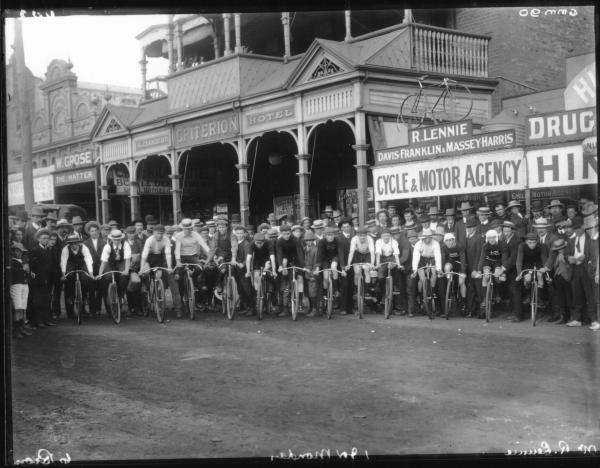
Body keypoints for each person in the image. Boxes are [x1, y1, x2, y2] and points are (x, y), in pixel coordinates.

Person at [565, 218, 595, 327]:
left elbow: (595, 253)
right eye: (575, 228)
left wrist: (585, 257)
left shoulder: (591, 238)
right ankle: (577, 319)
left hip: (587, 269)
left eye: (578, 228)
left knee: (589, 295)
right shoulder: (571, 240)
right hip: (575, 269)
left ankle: (594, 320)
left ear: (583, 226)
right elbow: (566, 253)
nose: (577, 230)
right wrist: (569, 258)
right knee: (576, 295)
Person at [515, 232, 549, 321]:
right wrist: (520, 274)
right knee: (528, 278)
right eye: (530, 242)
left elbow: (544, 259)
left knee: (540, 275)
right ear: (526, 241)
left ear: (537, 242)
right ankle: (527, 295)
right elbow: (519, 261)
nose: (532, 245)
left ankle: (539, 298)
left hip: (538, 263)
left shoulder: (541, 246)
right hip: (527, 264)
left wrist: (545, 271)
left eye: (534, 242)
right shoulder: (522, 246)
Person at [475, 230, 508, 318]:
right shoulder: (485, 245)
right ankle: (485, 299)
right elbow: (482, 258)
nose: (491, 239)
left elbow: (504, 258)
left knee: (497, 276)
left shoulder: (502, 244)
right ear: (487, 238)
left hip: (498, 262)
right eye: (489, 238)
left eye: (493, 237)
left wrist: (502, 270)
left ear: (496, 237)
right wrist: (478, 270)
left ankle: (498, 293)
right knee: (485, 277)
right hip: (488, 261)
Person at [60, 234, 94, 319]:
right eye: (71, 243)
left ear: (78, 242)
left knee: (85, 279)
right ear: (69, 244)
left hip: (82, 264)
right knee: (69, 278)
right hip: (71, 264)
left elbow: (88, 259)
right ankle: (70, 299)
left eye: (75, 243)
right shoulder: (65, 249)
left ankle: (84, 296)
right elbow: (63, 261)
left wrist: (90, 273)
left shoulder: (84, 247)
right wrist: (64, 274)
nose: (73, 245)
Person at [98, 229, 131, 314]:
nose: (116, 241)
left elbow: (127, 259)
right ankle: (109, 298)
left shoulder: (125, 244)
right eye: (115, 239)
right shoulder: (107, 246)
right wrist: (100, 273)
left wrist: (126, 270)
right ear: (112, 239)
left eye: (118, 239)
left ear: (121, 239)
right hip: (110, 263)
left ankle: (121, 295)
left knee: (124, 277)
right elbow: (104, 261)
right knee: (107, 277)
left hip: (121, 263)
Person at [28, 229, 56, 328]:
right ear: (39, 239)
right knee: (38, 301)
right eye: (43, 238)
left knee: (47, 300)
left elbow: (50, 265)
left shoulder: (49, 250)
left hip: (47, 279)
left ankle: (46, 319)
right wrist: (35, 276)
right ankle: (38, 321)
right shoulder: (35, 250)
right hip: (38, 280)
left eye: (47, 238)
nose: (45, 240)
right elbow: (32, 266)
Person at [276, 224, 305, 317]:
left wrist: (302, 266)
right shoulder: (279, 241)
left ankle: (299, 304)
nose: (286, 236)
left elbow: (300, 253)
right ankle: (285, 308)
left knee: (299, 279)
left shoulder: (296, 240)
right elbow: (279, 254)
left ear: (291, 233)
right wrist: (280, 265)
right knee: (286, 286)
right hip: (285, 259)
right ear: (281, 233)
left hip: (295, 259)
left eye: (288, 234)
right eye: (284, 234)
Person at [246, 232, 277, 315]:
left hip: (267, 260)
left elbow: (272, 258)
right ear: (254, 241)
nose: (259, 245)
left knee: (268, 274)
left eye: (261, 243)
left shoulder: (268, 243)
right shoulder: (252, 244)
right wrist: (248, 271)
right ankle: (258, 294)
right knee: (256, 275)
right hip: (257, 260)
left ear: (264, 241)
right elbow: (248, 259)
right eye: (257, 243)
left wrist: (274, 271)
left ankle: (269, 297)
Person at [544, 238, 572, 325]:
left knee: (569, 297)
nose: (560, 250)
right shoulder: (557, 255)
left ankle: (571, 317)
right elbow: (554, 265)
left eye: (561, 248)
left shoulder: (568, 254)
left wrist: (564, 259)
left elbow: (570, 266)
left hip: (567, 278)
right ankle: (563, 317)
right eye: (558, 249)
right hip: (558, 277)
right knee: (561, 297)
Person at [411, 228, 442, 301]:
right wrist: (414, 269)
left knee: (434, 272)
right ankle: (420, 295)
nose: (427, 240)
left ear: (431, 237)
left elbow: (438, 256)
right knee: (422, 279)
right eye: (425, 239)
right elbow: (416, 257)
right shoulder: (418, 244)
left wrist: (439, 268)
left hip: (432, 258)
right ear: (422, 238)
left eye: (429, 238)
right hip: (422, 259)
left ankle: (432, 290)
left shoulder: (435, 243)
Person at [440, 232, 467, 315]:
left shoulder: (459, 246)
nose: (449, 242)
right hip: (450, 263)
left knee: (461, 282)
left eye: (451, 240)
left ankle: (463, 302)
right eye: (447, 241)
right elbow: (443, 259)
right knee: (446, 267)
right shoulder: (444, 247)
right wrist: (441, 271)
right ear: (445, 241)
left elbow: (463, 259)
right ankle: (449, 281)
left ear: (454, 240)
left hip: (459, 264)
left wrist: (463, 272)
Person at [10, 242, 32, 339]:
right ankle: (16, 329)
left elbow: (26, 272)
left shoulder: (21, 261)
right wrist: (23, 270)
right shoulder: (11, 261)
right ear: (14, 251)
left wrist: (29, 272)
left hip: (24, 284)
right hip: (16, 285)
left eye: (21, 251)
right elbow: (14, 273)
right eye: (18, 251)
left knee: (23, 307)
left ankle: (21, 327)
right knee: (18, 308)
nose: (20, 253)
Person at [84, 221, 105, 316]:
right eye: (92, 231)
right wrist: (89, 271)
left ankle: (98, 308)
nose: (94, 233)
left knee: (101, 288)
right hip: (90, 268)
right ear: (89, 232)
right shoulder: (85, 243)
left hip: (101, 267)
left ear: (98, 231)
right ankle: (92, 309)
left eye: (96, 230)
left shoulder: (104, 242)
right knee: (91, 289)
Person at [231, 225, 254, 315]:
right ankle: (245, 307)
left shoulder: (246, 244)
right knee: (240, 288)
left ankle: (252, 308)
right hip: (236, 268)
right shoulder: (234, 243)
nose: (239, 235)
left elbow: (248, 257)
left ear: (244, 234)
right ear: (235, 234)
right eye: (238, 233)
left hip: (244, 269)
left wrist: (243, 264)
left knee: (247, 289)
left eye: (241, 233)